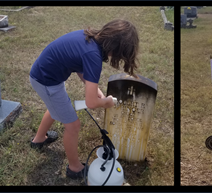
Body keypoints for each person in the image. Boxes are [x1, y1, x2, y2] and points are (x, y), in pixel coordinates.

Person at [28, 19, 139, 180]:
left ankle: (38, 140)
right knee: (73, 125)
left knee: (56, 107)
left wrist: (98, 91)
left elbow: (80, 68)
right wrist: (106, 102)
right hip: (46, 81)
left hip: (45, 75)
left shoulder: (89, 38)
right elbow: (91, 103)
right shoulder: (93, 55)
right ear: (115, 49)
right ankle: (74, 168)